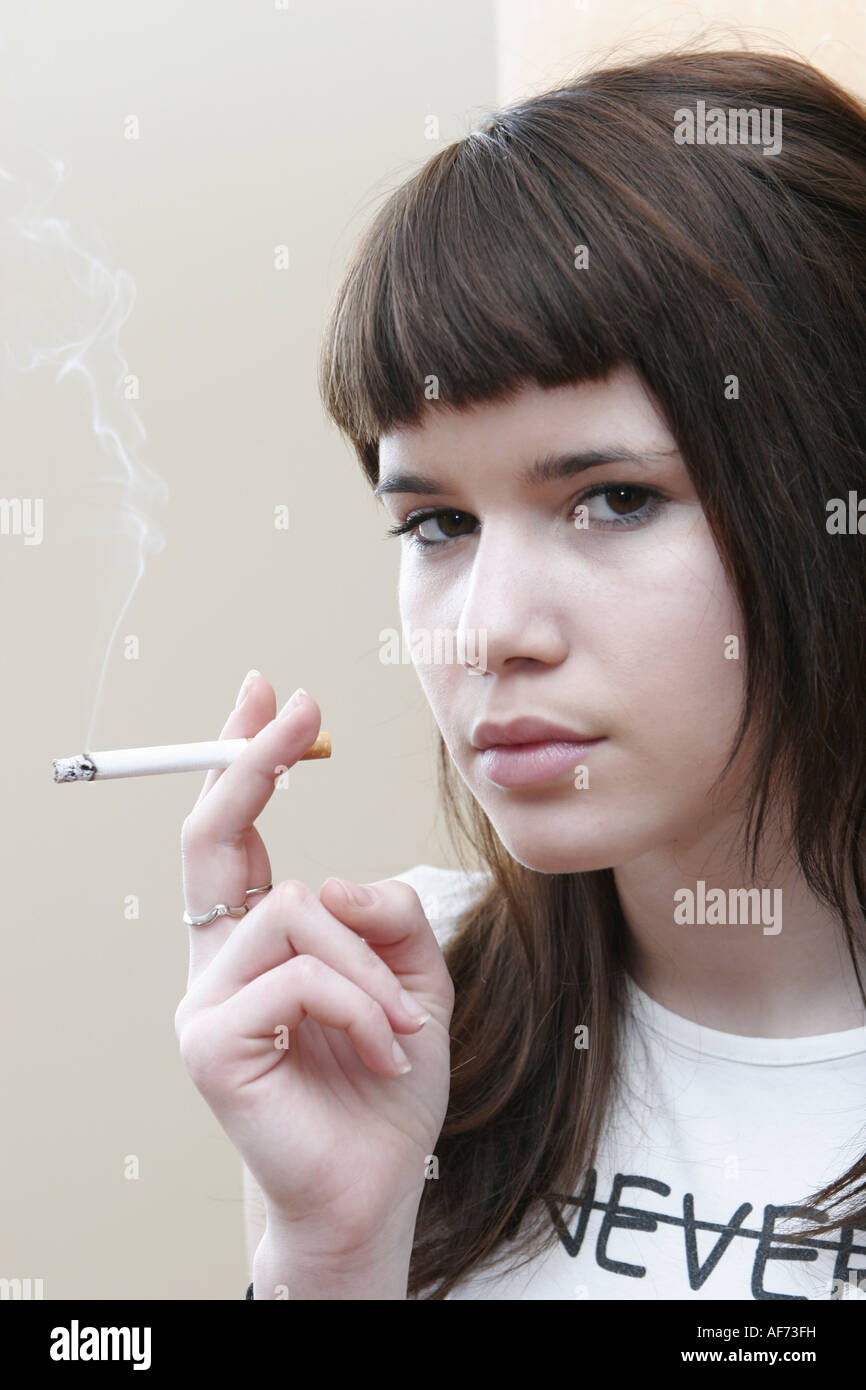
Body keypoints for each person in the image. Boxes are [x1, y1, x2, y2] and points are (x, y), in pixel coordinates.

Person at [176, 46, 866, 1300]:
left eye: (610, 497)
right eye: (436, 524)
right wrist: (328, 1261)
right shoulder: (406, 1013)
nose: (484, 632)